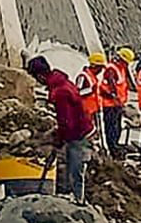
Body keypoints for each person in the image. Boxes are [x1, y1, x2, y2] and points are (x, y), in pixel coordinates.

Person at [27, 56, 93, 204]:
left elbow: (66, 120)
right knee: (73, 164)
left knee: (76, 166)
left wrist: (60, 138)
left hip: (78, 133)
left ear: (40, 76)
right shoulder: (63, 82)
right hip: (80, 129)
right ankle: (76, 196)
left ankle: (78, 200)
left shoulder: (60, 92)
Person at [99, 48, 134, 154]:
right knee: (111, 127)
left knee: (117, 126)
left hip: (117, 103)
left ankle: (115, 145)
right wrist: (114, 97)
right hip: (110, 104)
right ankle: (113, 148)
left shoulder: (121, 68)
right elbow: (110, 86)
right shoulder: (111, 69)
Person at [77, 54, 105, 154]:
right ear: (95, 66)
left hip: (93, 109)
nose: (101, 70)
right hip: (86, 110)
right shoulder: (83, 76)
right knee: (88, 133)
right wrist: (90, 90)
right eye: (100, 68)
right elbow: (78, 93)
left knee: (96, 132)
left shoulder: (93, 77)